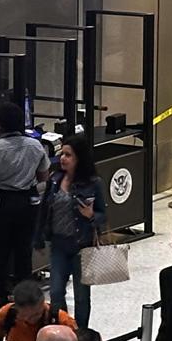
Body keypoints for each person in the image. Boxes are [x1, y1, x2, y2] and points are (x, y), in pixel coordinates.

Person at [0, 103, 50, 300]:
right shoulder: (35, 145)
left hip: (0, 203)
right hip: (27, 204)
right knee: (24, 252)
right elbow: (44, 175)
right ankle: (25, 298)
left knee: (1, 252)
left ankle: (1, 297)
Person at [42, 137, 107, 328]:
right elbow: (44, 211)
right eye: (62, 154)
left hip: (82, 246)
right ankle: (63, 328)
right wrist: (39, 237)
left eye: (68, 155)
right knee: (55, 292)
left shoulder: (93, 183)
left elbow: (103, 214)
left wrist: (91, 215)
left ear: (79, 158)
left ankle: (82, 333)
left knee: (81, 296)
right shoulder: (54, 180)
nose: (63, 158)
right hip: (58, 245)